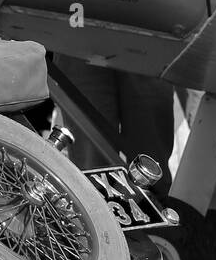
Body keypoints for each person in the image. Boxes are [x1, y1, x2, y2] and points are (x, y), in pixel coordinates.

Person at [51, 54, 175, 195]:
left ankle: (153, 212)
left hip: (151, 45)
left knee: (150, 169)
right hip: (79, 45)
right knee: (93, 176)